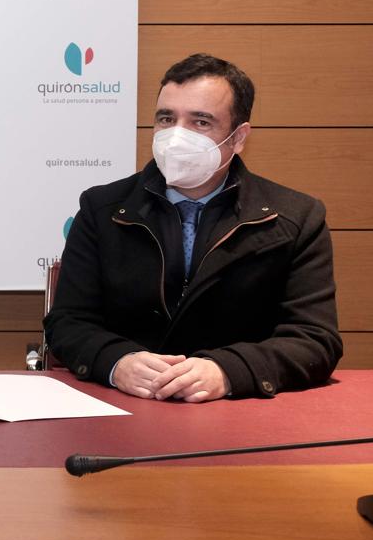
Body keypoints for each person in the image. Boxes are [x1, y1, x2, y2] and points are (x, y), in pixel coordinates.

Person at [44, 53, 342, 402]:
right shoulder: (102, 209)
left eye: (201, 122)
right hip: (124, 410)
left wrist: (228, 371)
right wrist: (116, 361)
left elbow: (315, 339)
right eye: (166, 118)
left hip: (238, 414)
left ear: (238, 137)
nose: (176, 136)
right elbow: (67, 322)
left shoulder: (295, 218)